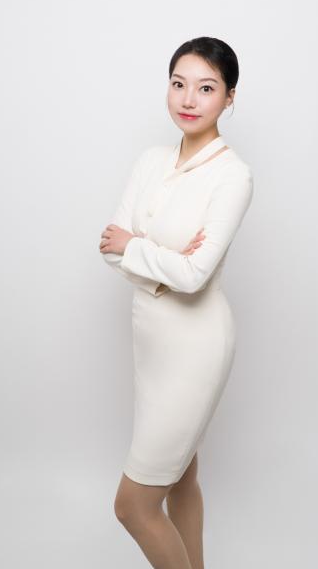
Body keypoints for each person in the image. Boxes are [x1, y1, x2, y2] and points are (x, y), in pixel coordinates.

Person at [99, 36, 253, 569]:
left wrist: (139, 249)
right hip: (150, 342)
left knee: (133, 505)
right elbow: (109, 246)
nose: (189, 99)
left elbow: (195, 276)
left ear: (229, 98)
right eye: (178, 84)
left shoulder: (232, 176)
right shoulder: (150, 162)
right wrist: (162, 261)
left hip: (196, 346)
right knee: (182, 476)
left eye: (206, 88)